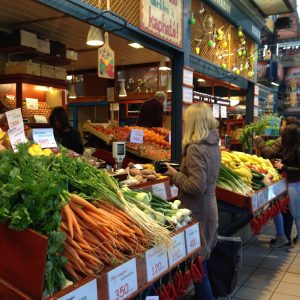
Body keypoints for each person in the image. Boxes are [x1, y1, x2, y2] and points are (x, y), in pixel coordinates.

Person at [166, 103, 221, 300]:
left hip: (197, 211)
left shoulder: (196, 149)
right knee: (202, 261)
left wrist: (175, 175)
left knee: (199, 265)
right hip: (209, 208)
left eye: (185, 120)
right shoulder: (213, 145)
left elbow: (197, 187)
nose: (183, 123)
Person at [254, 116, 299, 247]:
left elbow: (269, 153)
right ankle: (285, 237)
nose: (281, 127)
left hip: (291, 181)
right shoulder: (293, 142)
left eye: (283, 125)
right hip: (289, 180)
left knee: (289, 210)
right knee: (289, 210)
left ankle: (284, 237)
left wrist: (259, 141)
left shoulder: (285, 141)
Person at [274, 124, 300, 252]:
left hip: (296, 184)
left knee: (297, 214)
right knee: (295, 213)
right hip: (292, 183)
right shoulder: (291, 148)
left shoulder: (298, 149)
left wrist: (283, 167)